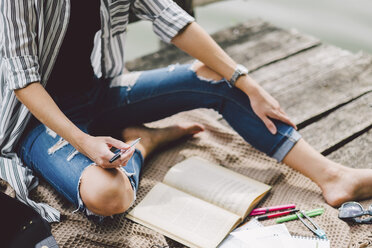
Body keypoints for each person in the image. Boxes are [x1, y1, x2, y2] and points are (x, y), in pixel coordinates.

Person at [1, 0, 372, 221]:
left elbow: (173, 20)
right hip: (36, 120)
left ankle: (332, 175)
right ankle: (144, 141)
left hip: (99, 92)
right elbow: (22, 79)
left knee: (217, 76)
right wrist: (83, 142)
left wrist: (246, 80)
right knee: (108, 197)